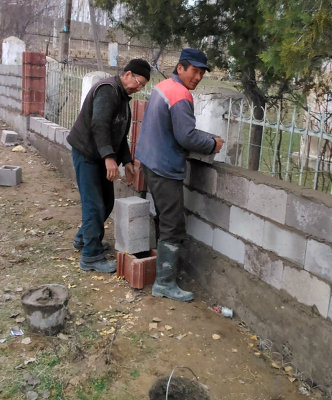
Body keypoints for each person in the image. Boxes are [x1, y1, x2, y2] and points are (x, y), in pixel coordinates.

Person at [136, 49, 225, 302]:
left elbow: (175, 127)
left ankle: (161, 270)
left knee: (164, 217)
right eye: (194, 71)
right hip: (165, 167)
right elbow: (186, 136)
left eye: (202, 73)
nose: (198, 77)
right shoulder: (181, 94)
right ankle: (164, 283)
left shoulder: (163, 87)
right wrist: (212, 144)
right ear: (180, 68)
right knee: (173, 224)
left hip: (150, 162)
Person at [67, 58, 151, 273]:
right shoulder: (107, 90)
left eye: (142, 87)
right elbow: (100, 125)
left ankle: (84, 239)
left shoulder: (121, 97)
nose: (139, 89)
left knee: (106, 201)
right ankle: (91, 256)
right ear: (128, 74)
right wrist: (108, 157)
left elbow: (119, 134)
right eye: (139, 83)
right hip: (87, 154)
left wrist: (127, 161)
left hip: (99, 155)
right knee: (94, 204)